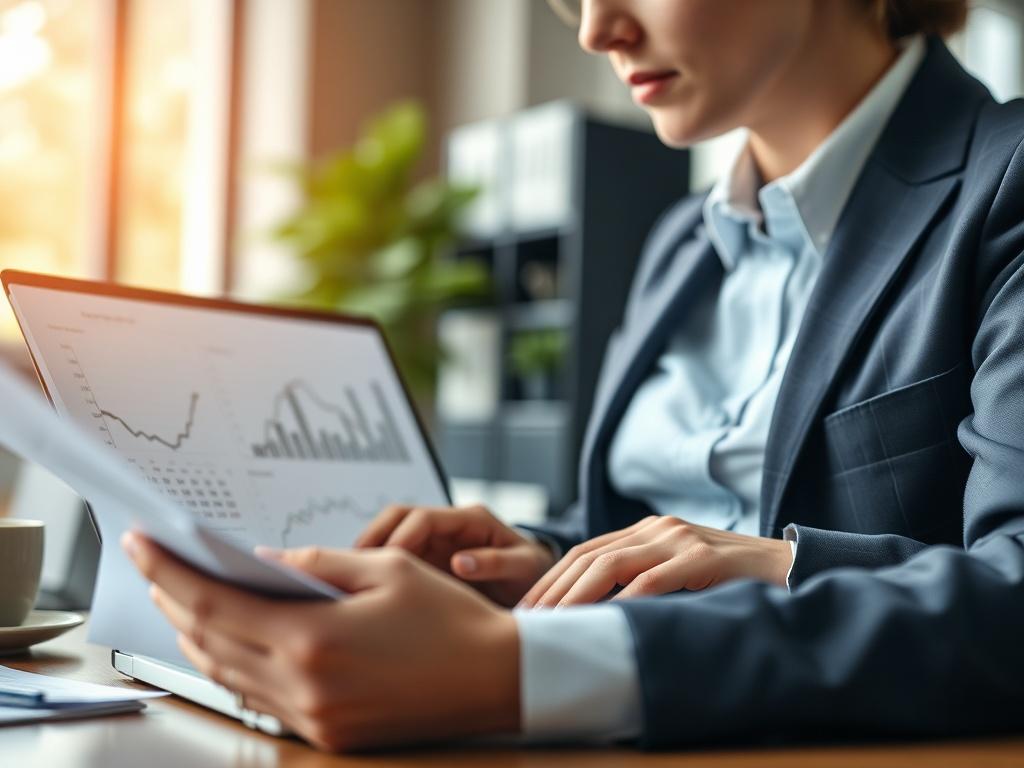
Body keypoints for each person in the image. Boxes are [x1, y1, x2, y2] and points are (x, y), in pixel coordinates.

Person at [123, 0, 1024, 752]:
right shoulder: (681, 246)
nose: (596, 30)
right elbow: (653, 534)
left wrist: (513, 669)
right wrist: (544, 566)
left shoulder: (1003, 180)